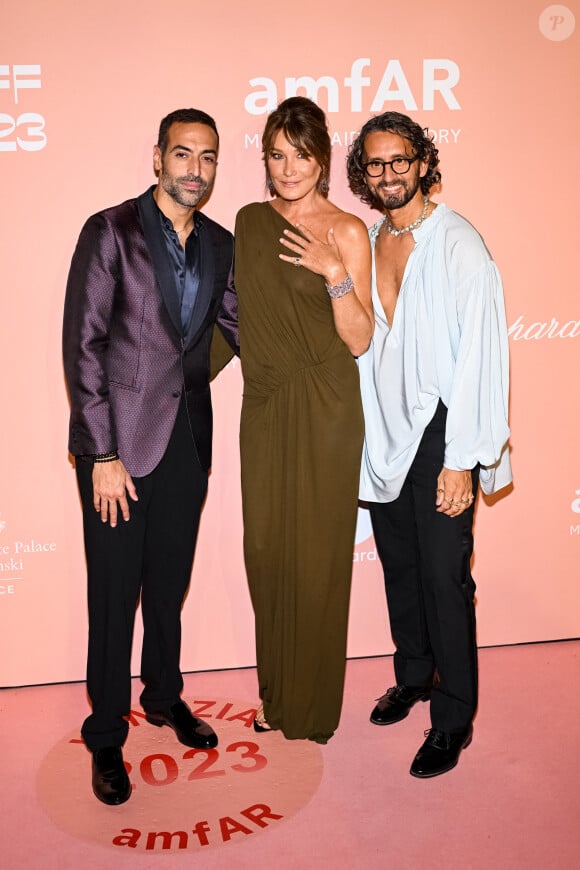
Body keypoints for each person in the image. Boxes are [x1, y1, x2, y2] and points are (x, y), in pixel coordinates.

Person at [63, 108, 238, 805]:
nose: (195, 169)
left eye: (208, 157)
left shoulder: (221, 244)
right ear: (159, 158)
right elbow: (84, 346)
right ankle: (106, 733)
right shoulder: (110, 230)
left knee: (167, 588)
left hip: (187, 443)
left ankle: (163, 695)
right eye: (183, 154)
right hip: (118, 450)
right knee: (114, 598)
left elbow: (241, 328)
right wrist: (100, 451)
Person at [346, 112, 511, 777]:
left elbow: (482, 360)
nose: (389, 174)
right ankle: (414, 674)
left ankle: (452, 717)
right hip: (386, 430)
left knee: (444, 577)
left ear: (422, 163)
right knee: (401, 566)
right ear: (366, 172)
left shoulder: (459, 245)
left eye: (400, 161)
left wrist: (463, 459)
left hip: (446, 428)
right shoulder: (370, 239)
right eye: (376, 164)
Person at [234, 97, 373, 743]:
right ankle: (277, 693)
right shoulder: (248, 221)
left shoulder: (346, 230)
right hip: (264, 404)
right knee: (266, 553)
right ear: (265, 158)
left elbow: (359, 339)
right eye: (277, 154)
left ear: (322, 159)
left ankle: (310, 708)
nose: (289, 168)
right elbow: (234, 318)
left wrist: (336, 275)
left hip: (325, 407)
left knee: (316, 560)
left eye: (302, 154)